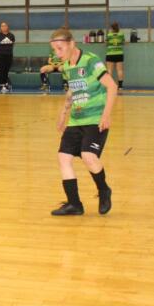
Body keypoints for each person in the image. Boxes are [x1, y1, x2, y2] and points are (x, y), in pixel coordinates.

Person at [49, 27, 116, 216]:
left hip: (95, 119)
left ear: (72, 44)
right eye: (54, 50)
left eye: (60, 48)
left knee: (89, 157)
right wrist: (64, 112)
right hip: (76, 120)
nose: (57, 53)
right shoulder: (67, 67)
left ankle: (104, 190)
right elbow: (73, 90)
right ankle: (74, 204)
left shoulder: (90, 61)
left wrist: (106, 114)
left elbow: (112, 86)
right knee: (63, 158)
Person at [0, 21, 15, 93]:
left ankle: (6, 84)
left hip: (9, 56)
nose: (3, 27)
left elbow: (12, 44)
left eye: (5, 26)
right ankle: (2, 85)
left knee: (6, 70)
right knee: (1, 70)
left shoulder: (11, 36)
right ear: (0, 28)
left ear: (7, 27)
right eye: (2, 26)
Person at [105, 22, 125, 90]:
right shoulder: (121, 34)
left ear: (112, 28)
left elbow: (106, 44)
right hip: (119, 54)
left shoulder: (109, 35)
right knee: (120, 70)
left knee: (109, 70)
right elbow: (123, 43)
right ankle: (120, 86)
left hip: (110, 54)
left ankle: (110, 86)